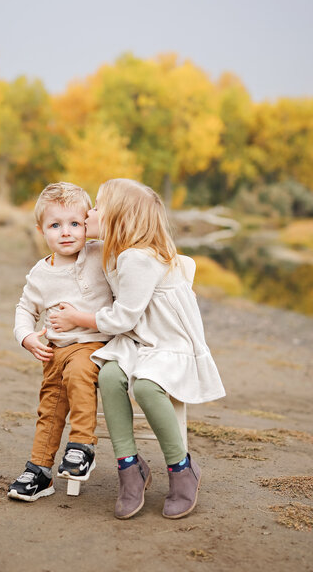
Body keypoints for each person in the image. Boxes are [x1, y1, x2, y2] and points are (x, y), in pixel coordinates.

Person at [50, 178, 226, 519]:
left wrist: (77, 319)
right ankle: (129, 467)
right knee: (110, 374)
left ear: (118, 218)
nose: (90, 212)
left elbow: (122, 317)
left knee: (145, 386)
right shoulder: (118, 252)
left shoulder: (137, 259)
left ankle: (181, 466)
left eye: (98, 207)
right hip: (137, 339)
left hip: (168, 342)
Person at [8, 182, 113, 502]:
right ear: (41, 230)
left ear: (88, 225)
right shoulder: (40, 274)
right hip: (55, 350)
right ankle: (40, 469)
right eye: (55, 225)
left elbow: (122, 237)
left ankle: (83, 445)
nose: (66, 233)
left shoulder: (99, 254)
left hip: (93, 343)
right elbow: (25, 309)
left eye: (75, 224)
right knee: (50, 406)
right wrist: (26, 336)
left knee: (79, 374)